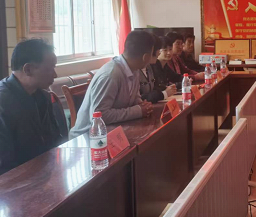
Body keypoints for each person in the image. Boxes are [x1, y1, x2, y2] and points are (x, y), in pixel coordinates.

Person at [70, 30, 155, 139]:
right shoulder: (111, 74)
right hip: (88, 137)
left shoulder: (135, 70)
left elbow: (134, 99)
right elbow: (99, 116)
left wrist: (142, 105)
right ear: (146, 57)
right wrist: (138, 111)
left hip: (115, 131)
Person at [0, 39, 67, 174]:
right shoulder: (3, 103)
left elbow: (55, 141)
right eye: (50, 69)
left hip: (45, 172)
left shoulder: (43, 96)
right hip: (16, 181)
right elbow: (5, 165)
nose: (55, 75)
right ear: (28, 69)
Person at [139, 36, 178, 104]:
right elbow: (141, 98)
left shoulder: (148, 67)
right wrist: (164, 93)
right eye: (163, 50)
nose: (159, 53)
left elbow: (155, 88)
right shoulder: (135, 70)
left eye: (170, 49)